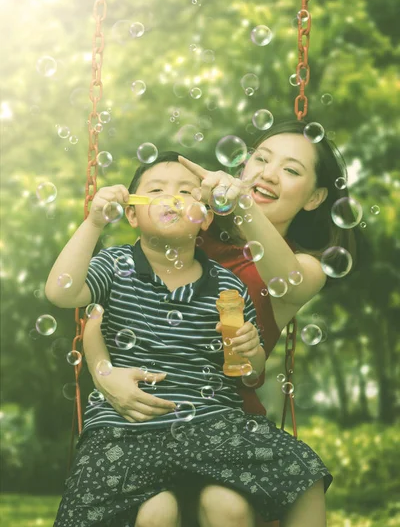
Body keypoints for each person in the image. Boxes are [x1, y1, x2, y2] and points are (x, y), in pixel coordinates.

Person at [46, 149, 333, 527]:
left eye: (186, 192)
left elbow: (248, 370)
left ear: (206, 217)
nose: (172, 198)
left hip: (211, 426)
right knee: (141, 511)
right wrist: (94, 223)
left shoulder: (227, 285)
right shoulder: (115, 266)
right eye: (157, 190)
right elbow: (61, 292)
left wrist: (251, 352)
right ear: (131, 212)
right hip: (125, 428)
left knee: (304, 469)